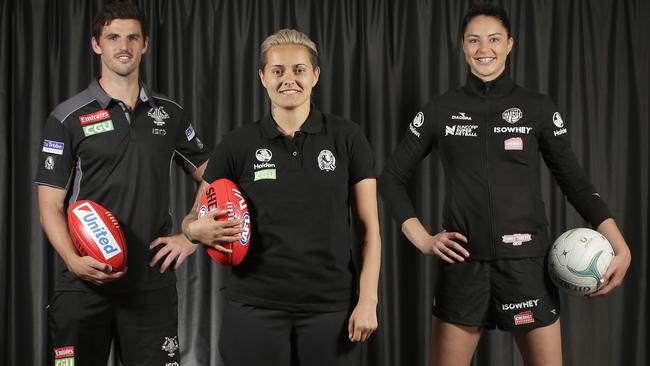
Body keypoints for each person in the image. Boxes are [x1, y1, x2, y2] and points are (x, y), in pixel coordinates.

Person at [378, 3, 631, 366]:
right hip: (464, 267)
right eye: (474, 41)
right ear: (463, 46)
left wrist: (620, 245)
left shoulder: (537, 108)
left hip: (526, 266)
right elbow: (390, 179)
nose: (485, 49)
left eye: (494, 39)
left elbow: (575, 182)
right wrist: (422, 238)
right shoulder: (440, 110)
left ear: (510, 44)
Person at [182, 29, 381, 366]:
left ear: (315, 75)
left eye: (299, 69)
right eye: (277, 70)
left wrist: (368, 301)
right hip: (254, 306)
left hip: (329, 307)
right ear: (263, 77)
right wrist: (192, 231)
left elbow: (369, 230)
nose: (289, 79)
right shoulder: (236, 144)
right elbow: (193, 217)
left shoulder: (346, 137)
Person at [35, 2, 218, 364]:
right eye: (113, 37)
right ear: (96, 44)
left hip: (151, 284)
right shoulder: (68, 117)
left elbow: (213, 176)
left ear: (145, 44)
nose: (124, 46)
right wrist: (73, 260)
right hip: (84, 282)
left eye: (133, 37)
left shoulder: (170, 113)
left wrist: (191, 236)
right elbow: (50, 205)